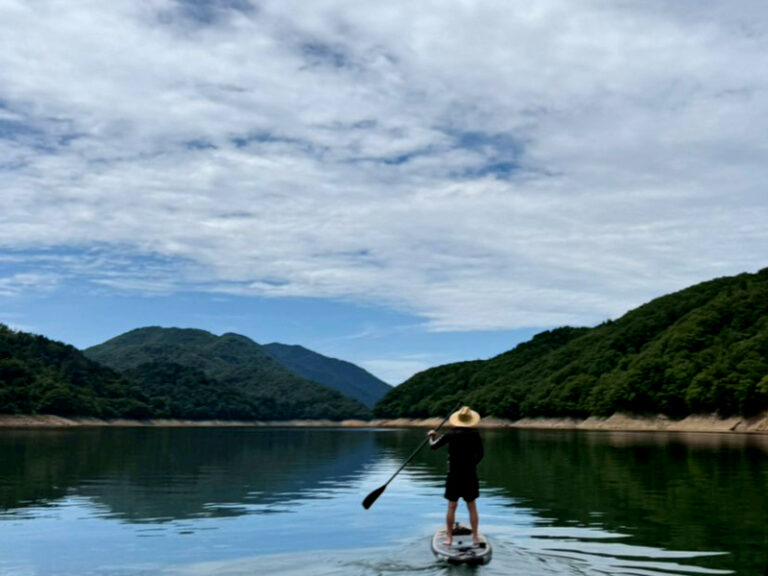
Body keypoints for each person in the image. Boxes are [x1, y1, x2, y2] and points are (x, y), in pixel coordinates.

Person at [428, 405, 484, 547]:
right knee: (472, 505)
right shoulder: (475, 435)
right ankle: (476, 538)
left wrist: (432, 436)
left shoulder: (450, 434)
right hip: (470, 475)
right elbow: (481, 455)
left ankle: (449, 539)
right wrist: (471, 464)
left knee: (452, 506)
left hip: (454, 475)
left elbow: (433, 446)